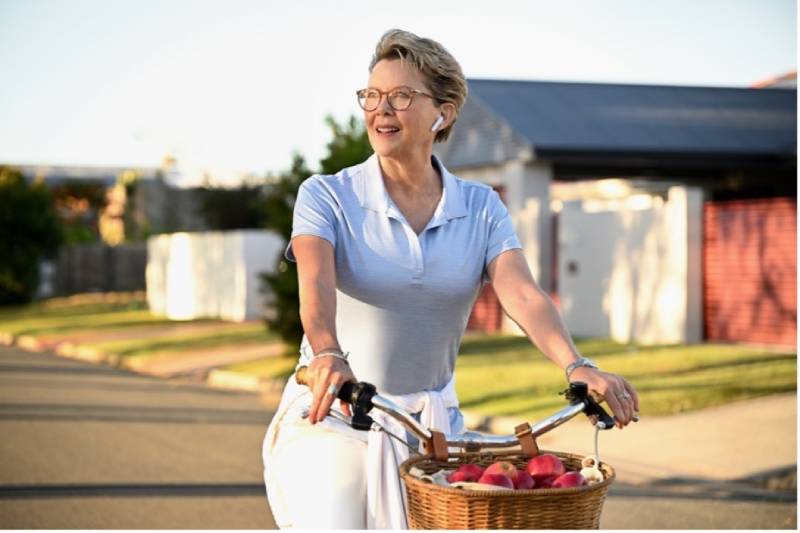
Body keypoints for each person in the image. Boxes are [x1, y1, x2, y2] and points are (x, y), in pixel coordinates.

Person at [262, 28, 639, 530]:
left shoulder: (480, 206)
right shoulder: (327, 196)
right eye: (371, 96)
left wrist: (577, 364)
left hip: (430, 428)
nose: (381, 110)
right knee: (334, 508)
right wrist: (328, 351)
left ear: (442, 112)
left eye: (400, 96)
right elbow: (315, 286)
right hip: (333, 415)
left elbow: (523, 294)